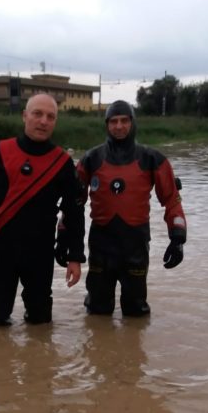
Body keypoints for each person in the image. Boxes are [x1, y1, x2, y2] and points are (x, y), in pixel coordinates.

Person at [0, 92, 85, 327]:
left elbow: (74, 212)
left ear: (55, 122)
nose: (43, 121)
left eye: (50, 116)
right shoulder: (0, 152)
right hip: (0, 249)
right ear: (24, 116)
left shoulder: (62, 163)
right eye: (37, 114)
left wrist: (75, 257)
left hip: (40, 252)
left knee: (40, 325)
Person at [56, 99, 186, 317]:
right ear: (107, 124)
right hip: (101, 244)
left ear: (133, 122)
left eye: (124, 121)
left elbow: (172, 200)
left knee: (136, 312)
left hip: (135, 244)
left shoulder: (152, 159)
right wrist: (63, 239)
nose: (119, 126)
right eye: (114, 121)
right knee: (97, 311)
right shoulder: (90, 159)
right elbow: (73, 205)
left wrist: (178, 239)